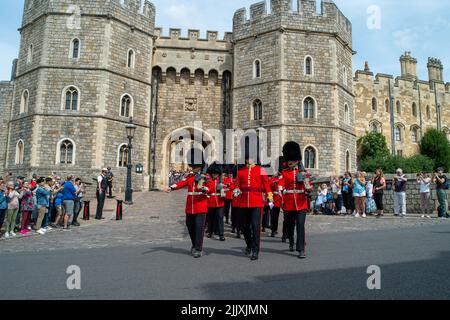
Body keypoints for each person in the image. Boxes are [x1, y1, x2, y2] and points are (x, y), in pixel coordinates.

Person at [234, 136, 273, 261]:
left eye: (251, 157)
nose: (249, 159)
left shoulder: (261, 170)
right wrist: (235, 191)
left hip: (256, 202)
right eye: (248, 157)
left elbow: (266, 186)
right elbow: (237, 186)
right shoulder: (240, 172)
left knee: (256, 226)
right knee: (244, 227)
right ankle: (249, 244)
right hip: (243, 202)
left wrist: (270, 198)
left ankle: (255, 250)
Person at [166, 147, 209, 258]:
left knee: (199, 227)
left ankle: (198, 249)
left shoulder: (206, 176)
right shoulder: (190, 176)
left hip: (201, 205)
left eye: (196, 166)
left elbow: (210, 188)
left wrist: (204, 188)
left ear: (200, 166)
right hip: (190, 206)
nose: (194, 168)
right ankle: (194, 245)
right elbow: (182, 182)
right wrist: (172, 187)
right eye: (193, 166)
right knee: (190, 226)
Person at [278, 141, 311, 259]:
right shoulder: (285, 173)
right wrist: (280, 188)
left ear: (297, 160)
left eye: (293, 159)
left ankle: (301, 249)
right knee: (290, 225)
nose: (290, 161)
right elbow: (281, 184)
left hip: (301, 202)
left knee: (300, 225)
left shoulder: (302, 172)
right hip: (289, 203)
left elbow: (308, 186)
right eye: (289, 160)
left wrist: (308, 187)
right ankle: (291, 241)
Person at [205, 163, 226, 241]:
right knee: (211, 218)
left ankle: (221, 234)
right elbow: (207, 191)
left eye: (216, 174)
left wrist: (224, 188)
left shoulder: (221, 181)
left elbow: (229, 187)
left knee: (220, 218)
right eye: (214, 174)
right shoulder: (208, 181)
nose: (215, 175)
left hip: (220, 202)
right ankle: (210, 232)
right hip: (211, 202)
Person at [268, 170, 283, 238]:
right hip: (272, 199)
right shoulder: (273, 179)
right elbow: (269, 186)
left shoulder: (282, 178)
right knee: (272, 214)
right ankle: (272, 230)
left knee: (276, 215)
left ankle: (275, 229)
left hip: (278, 199)